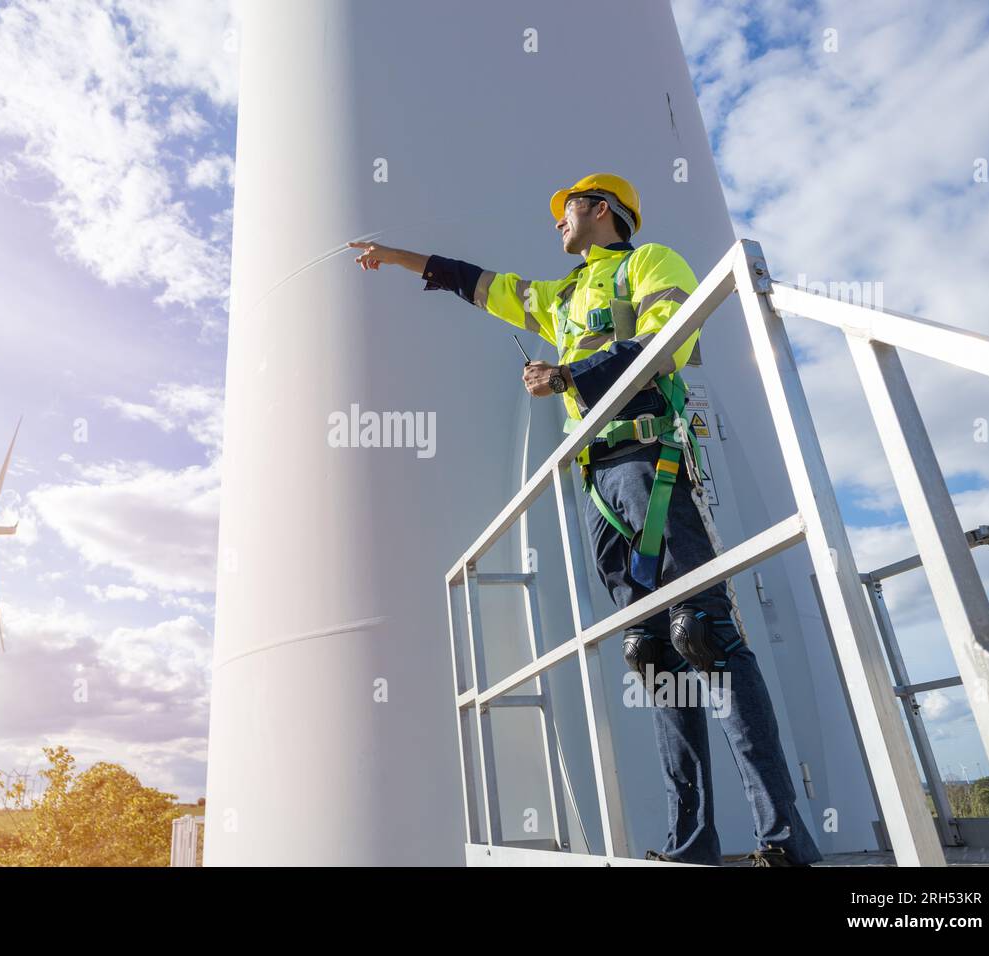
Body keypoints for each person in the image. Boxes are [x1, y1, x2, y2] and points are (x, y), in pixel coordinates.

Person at [347, 173, 823, 867]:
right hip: (597, 483)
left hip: (649, 459)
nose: (555, 225)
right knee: (654, 654)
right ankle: (692, 848)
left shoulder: (647, 263)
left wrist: (571, 377)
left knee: (705, 635)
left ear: (600, 210)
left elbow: (673, 340)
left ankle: (785, 843)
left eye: (564, 211)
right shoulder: (560, 297)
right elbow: (478, 283)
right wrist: (394, 257)